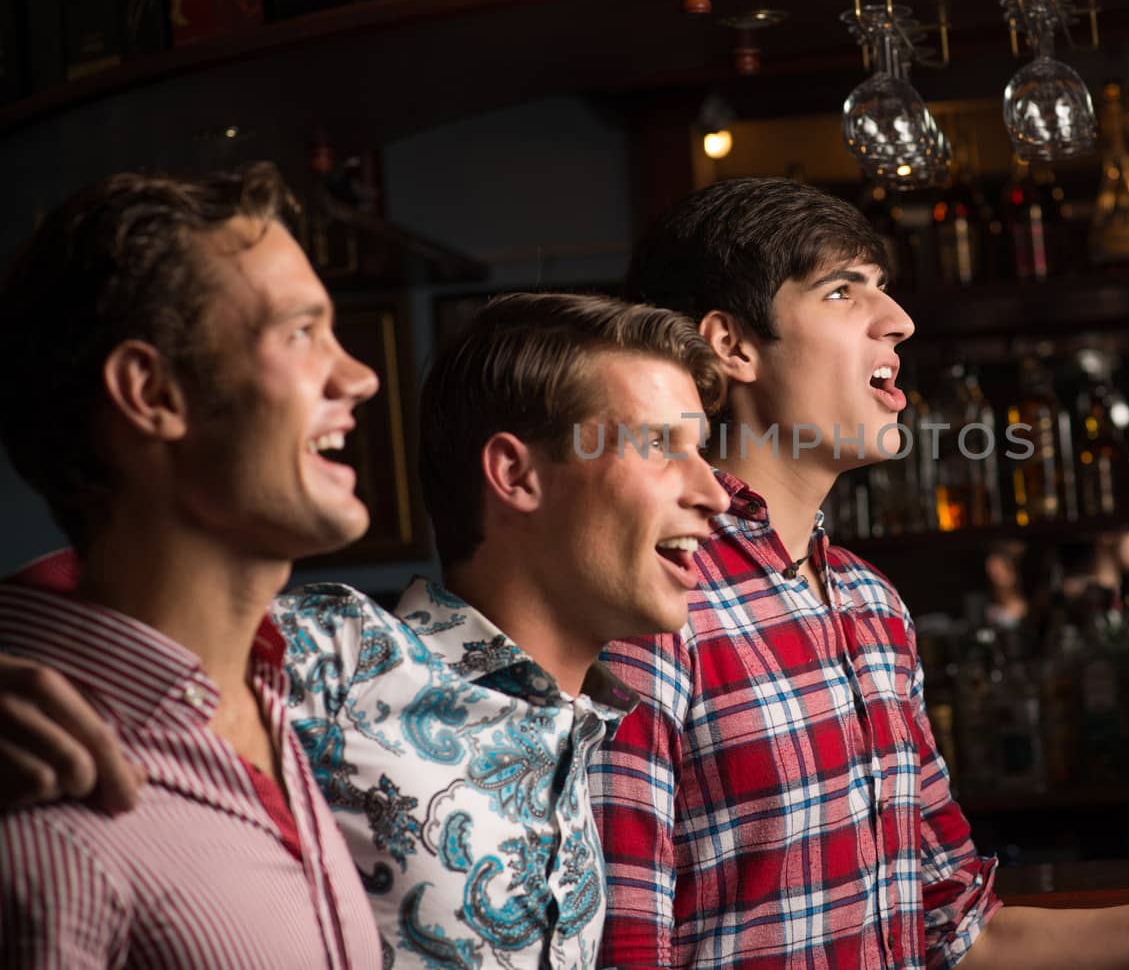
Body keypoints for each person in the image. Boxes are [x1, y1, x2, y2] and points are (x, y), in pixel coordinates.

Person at [593, 176, 1129, 968]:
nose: (899, 321)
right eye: (843, 291)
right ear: (733, 347)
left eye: (882, 289)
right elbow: (622, 956)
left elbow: (956, 930)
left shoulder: (868, 604)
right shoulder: (651, 602)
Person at [0, 250, 731, 960]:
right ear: (516, 474)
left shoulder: (582, 728)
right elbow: (116, 603)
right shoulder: (342, 657)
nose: (715, 494)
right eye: (663, 446)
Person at [0, 165, 386, 967]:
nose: (359, 377)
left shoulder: (276, 692)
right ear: (153, 392)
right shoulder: (40, 799)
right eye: (298, 332)